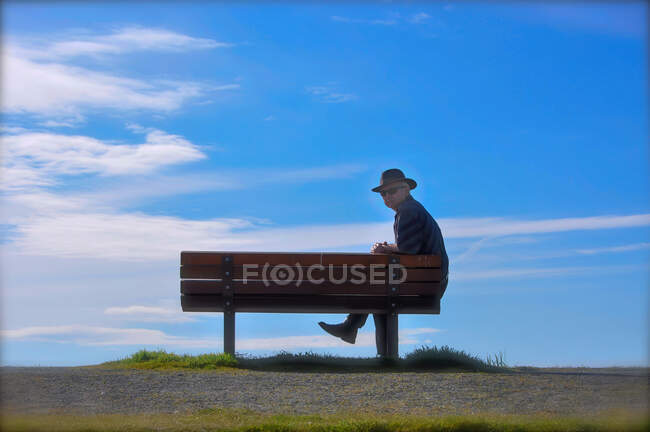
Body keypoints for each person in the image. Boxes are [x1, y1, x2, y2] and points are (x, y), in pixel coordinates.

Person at [318, 168, 449, 356]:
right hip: (430, 283)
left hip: (426, 287)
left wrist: (385, 249)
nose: (387, 196)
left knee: (376, 287)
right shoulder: (413, 209)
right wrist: (389, 248)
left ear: (406, 189)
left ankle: (351, 327)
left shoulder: (408, 211)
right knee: (378, 292)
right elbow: (411, 248)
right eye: (383, 193)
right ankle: (379, 350)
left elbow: (409, 249)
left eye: (392, 191)